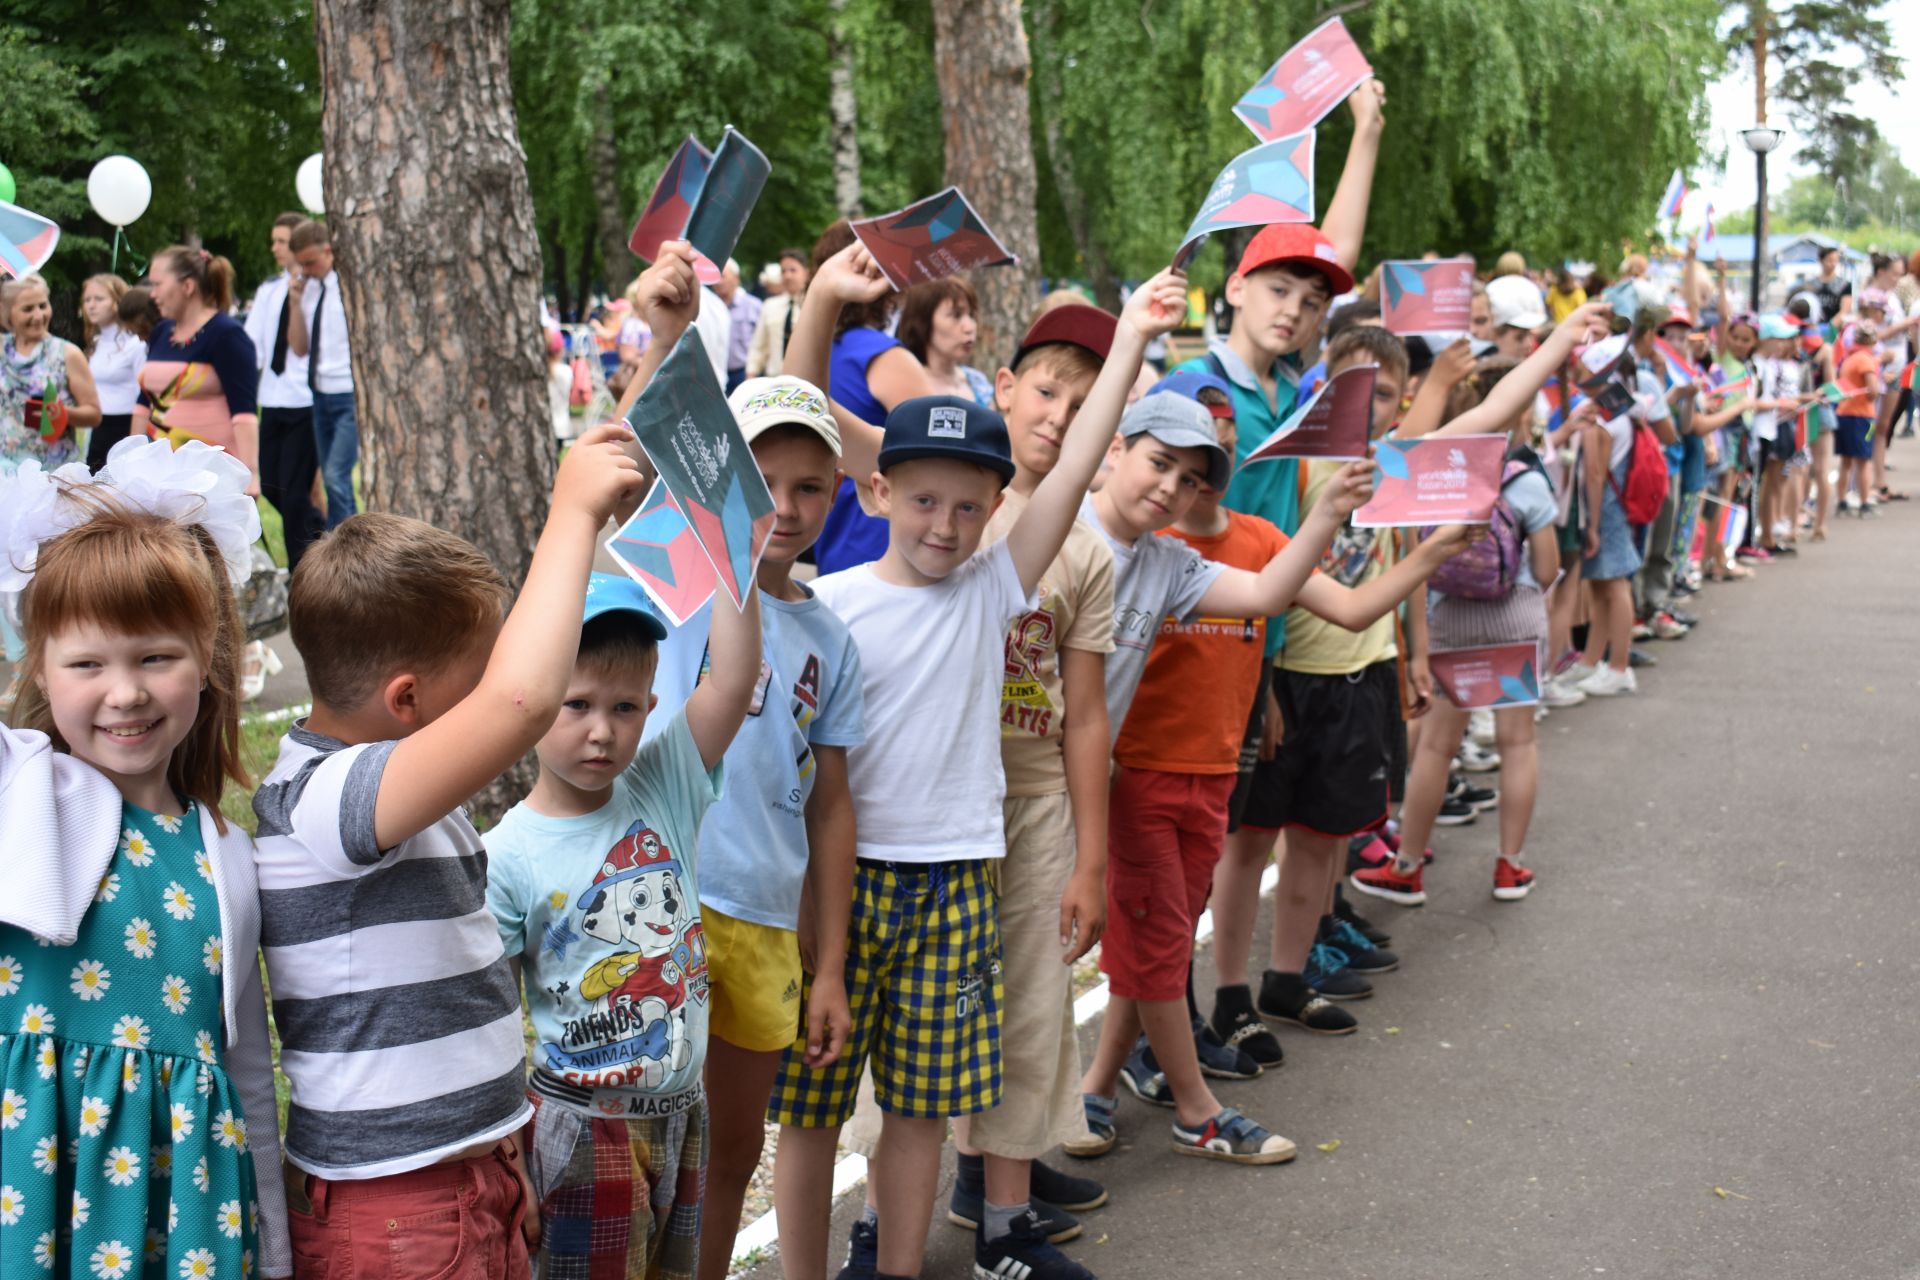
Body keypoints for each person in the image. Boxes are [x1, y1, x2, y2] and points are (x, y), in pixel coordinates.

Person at [770, 243, 1184, 1280]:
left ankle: (903, 1264)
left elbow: (1081, 460)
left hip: (960, 876)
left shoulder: (999, 584)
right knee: (817, 1100)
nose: (947, 525)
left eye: (969, 504)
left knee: (920, 1101)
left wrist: (1132, 337)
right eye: (922, 501)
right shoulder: (834, 605)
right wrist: (818, 303)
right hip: (847, 883)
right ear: (878, 489)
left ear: (996, 505)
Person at [250, 423, 645, 1276]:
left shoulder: (381, 793)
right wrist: (570, 513)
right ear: (408, 700)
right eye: (475, 680)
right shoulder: (324, 802)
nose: (492, 696)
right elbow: (523, 702)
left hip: (466, 1175)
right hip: (398, 1209)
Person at [0, 438, 291, 1278]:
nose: (124, 692)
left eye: (155, 658)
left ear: (207, 661)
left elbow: (246, 1071)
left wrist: (272, 1247)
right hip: (30, 1179)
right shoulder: (22, 790)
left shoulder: (223, 852)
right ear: (40, 671)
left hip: (181, 1205)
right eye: (86, 663)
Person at [1202, 326, 1480, 1047]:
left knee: (1324, 838)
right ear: (1319, 392)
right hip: (1289, 680)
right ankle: (1230, 992)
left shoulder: (1392, 467)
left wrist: (1412, 656)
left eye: (1382, 393)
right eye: (1349, 389)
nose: (1366, 406)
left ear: (1399, 405)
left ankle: (1287, 979)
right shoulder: (1295, 470)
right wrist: (1259, 690)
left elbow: (1405, 558)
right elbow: (1263, 583)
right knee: (1251, 846)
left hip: (1360, 675)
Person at [488, 557, 760, 1280]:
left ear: (650, 703)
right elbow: (487, 1021)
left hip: (682, 1112)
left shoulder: (662, 782)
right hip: (584, 1126)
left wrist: (734, 555)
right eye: (575, 704)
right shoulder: (507, 853)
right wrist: (508, 1152)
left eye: (625, 707)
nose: (602, 732)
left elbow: (730, 679)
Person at [1353, 303, 1611, 909]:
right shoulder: (1520, 475)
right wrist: (1562, 341)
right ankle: (1509, 867)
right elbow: (1547, 569)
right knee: (1517, 745)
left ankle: (1408, 867)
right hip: (1514, 616)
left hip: (1448, 620)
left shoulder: (1421, 462)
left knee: (1438, 748)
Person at [807, 220, 935, 575]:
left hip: (833, 531)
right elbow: (935, 454)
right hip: (876, 536)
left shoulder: (815, 352)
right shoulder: (885, 355)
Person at [135, 247, 258, 484]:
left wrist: (251, 475)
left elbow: (243, 412)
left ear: (187, 287)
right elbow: (143, 403)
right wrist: (133, 456)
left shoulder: (226, 334)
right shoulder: (161, 332)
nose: (152, 294)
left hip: (211, 474)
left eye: (158, 284)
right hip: (161, 471)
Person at [244, 212, 323, 572]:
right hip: (272, 398)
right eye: (274, 241)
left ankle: (300, 570)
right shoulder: (267, 290)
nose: (275, 248)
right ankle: (322, 540)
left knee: (294, 496)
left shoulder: (316, 288)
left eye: (281, 241)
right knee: (273, 484)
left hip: (304, 400)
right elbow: (254, 345)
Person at [285, 219, 357, 528]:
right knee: (329, 477)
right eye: (301, 264)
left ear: (328, 251)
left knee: (336, 476)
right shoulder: (310, 290)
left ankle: (348, 541)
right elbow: (299, 347)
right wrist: (296, 303)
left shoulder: (347, 288)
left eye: (311, 262)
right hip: (319, 391)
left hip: (347, 392)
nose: (307, 270)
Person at [2, 274, 102, 471]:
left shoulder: (67, 353)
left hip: (52, 470)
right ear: (8, 312)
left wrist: (61, 413)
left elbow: (94, 414)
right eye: (28, 309)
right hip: (6, 468)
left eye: (43, 305)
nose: (39, 316)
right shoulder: (2, 348)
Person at [896, 277, 996, 404]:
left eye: (971, 315)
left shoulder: (978, 383)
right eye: (956, 315)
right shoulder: (905, 384)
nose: (970, 327)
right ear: (923, 322)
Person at [79, 273, 139, 469]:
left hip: (124, 426)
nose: (91, 305)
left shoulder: (134, 343)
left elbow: (145, 394)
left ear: (117, 301)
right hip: (96, 428)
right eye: (87, 300)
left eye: (99, 299)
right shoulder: (95, 343)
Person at [1834, 317, 1884, 516]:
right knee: (1863, 461)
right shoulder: (1865, 360)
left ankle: (1842, 501)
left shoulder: (1850, 358)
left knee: (1846, 461)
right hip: (1861, 415)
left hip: (1844, 412)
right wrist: (1878, 389)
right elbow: (1872, 390)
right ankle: (1864, 502)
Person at [746, 247, 810, 378]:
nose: (787, 275)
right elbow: (759, 346)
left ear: (806, 273)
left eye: (793, 270)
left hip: (805, 381)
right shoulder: (769, 306)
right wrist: (751, 374)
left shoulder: (813, 307)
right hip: (774, 380)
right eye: (783, 271)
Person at [715, 257, 763, 392]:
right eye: (716, 277)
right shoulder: (710, 307)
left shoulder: (753, 306)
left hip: (743, 374)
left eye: (723, 276)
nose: (718, 282)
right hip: (716, 373)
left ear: (736, 279)